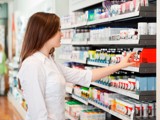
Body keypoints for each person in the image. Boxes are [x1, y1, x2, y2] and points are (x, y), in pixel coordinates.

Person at [18, 12, 135, 120]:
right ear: (45, 32)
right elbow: (38, 115)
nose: (62, 34)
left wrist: (120, 65)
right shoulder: (32, 65)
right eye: (58, 29)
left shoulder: (50, 62)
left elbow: (86, 76)